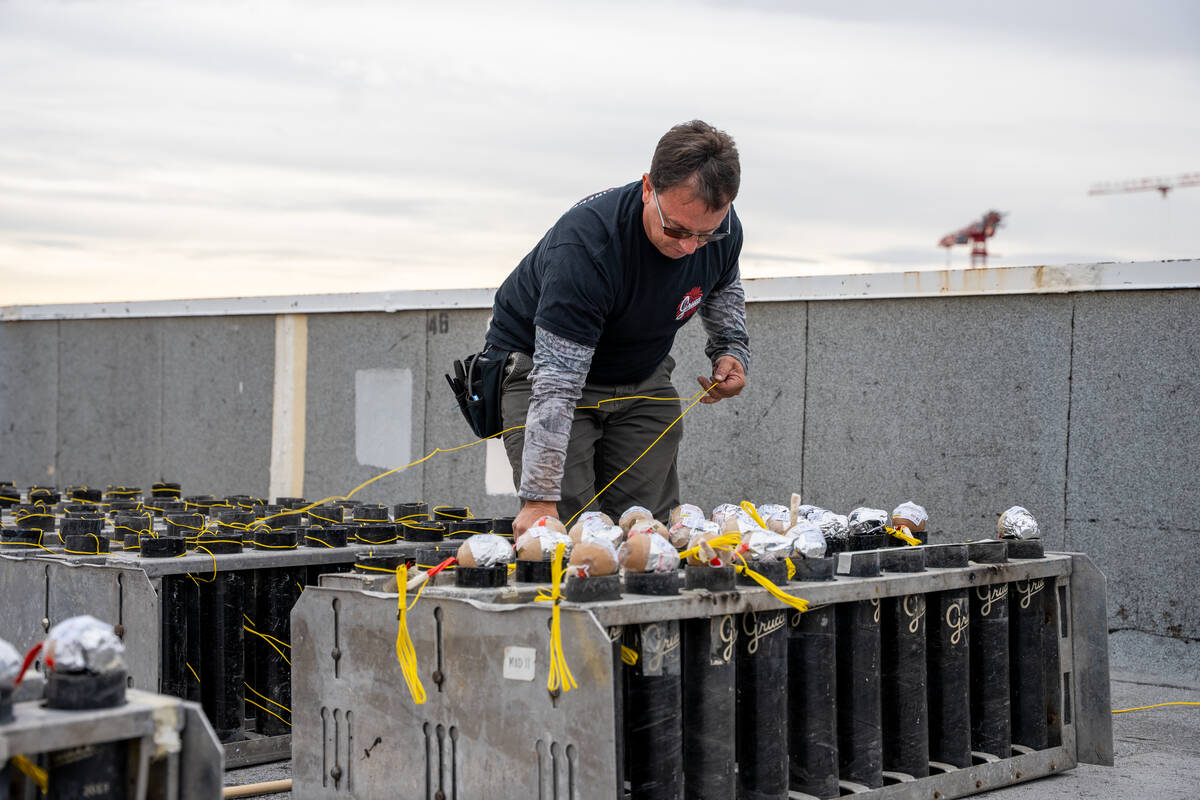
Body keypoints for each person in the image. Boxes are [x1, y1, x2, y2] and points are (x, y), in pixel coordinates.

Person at [485, 120, 750, 536]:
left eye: (705, 235)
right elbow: (557, 381)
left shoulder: (723, 230)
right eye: (677, 229)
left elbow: (722, 283)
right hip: (546, 372)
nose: (688, 247)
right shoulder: (587, 245)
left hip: (641, 373)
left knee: (650, 530)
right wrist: (539, 499)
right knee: (570, 530)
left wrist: (730, 349)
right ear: (648, 188)